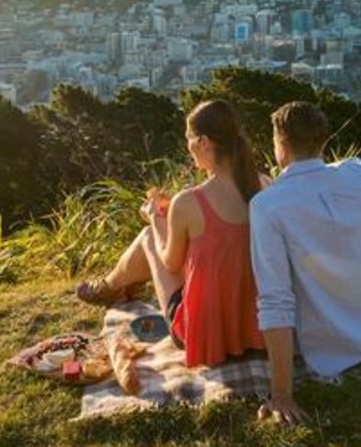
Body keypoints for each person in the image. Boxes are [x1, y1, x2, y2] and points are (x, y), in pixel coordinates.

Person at [249, 101, 361, 426]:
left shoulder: (266, 206)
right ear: (323, 141)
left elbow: (275, 298)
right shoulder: (355, 174)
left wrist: (281, 393)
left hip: (335, 349)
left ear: (280, 145)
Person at [77, 99, 265, 367]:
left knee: (148, 237)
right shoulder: (264, 186)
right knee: (164, 236)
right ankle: (111, 287)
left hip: (202, 332)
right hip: (253, 326)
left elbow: (170, 263)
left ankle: (107, 288)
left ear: (203, 142)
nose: (187, 147)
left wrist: (155, 218)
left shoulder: (189, 203)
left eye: (188, 139)